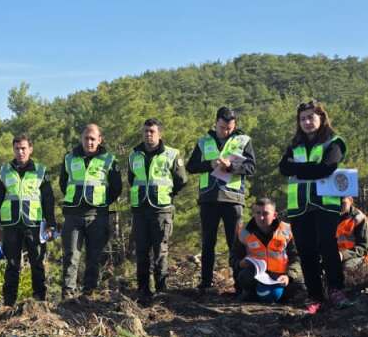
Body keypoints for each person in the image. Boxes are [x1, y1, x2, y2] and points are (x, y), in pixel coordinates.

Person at [278, 101, 351, 313]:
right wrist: (310, 169)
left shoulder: (334, 142)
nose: (307, 122)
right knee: (306, 250)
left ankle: (336, 290)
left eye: (311, 117)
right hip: (300, 205)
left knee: (327, 247)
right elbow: (283, 168)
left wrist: (298, 168)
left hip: (325, 204)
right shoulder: (295, 145)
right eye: (303, 119)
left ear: (321, 118)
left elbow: (327, 168)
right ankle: (315, 295)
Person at [187, 106, 255, 292]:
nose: (225, 131)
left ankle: (239, 285)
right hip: (208, 198)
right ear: (215, 123)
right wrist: (210, 164)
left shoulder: (243, 140)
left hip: (233, 198)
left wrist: (231, 166)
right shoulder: (203, 141)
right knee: (208, 242)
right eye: (222, 127)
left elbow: (251, 167)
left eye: (229, 128)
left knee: (235, 244)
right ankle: (206, 283)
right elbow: (191, 167)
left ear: (235, 125)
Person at [0, 134, 57, 306]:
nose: (20, 152)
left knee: (37, 263)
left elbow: (48, 199)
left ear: (30, 149)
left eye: (23, 148)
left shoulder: (40, 171)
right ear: (13, 150)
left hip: (34, 224)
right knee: (12, 265)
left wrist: (51, 224)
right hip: (11, 224)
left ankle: (40, 301)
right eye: (17, 149)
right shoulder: (4, 170)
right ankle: (8, 304)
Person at [59, 123, 123, 299]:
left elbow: (116, 188)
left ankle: (89, 293)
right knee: (71, 256)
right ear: (81, 139)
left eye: (93, 139)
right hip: (73, 214)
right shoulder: (69, 158)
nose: (89, 142)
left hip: (97, 215)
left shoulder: (109, 160)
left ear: (99, 140)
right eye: (86, 138)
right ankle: (68, 293)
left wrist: (102, 203)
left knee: (94, 257)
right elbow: (64, 183)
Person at [128, 118, 188, 305]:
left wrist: (167, 194)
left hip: (161, 210)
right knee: (141, 251)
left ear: (159, 133)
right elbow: (132, 179)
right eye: (145, 131)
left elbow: (181, 180)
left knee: (160, 250)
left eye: (152, 131)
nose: (148, 134)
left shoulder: (171, 154)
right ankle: (143, 290)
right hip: (140, 209)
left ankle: (161, 291)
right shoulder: (134, 155)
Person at [233, 197, 302, 303]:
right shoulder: (243, 232)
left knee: (299, 285)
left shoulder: (287, 230)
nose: (261, 217)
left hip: (281, 276)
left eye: (265, 213)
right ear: (253, 214)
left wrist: (288, 276)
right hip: (256, 276)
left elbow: (296, 258)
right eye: (258, 213)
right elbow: (233, 257)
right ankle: (250, 294)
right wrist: (240, 263)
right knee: (244, 276)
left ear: (274, 215)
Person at [337, 197, 368, 268]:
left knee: (347, 266)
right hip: (338, 255)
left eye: (343, 202)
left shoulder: (360, 218)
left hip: (359, 257)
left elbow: (364, 248)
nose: (340, 205)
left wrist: (343, 255)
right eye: (337, 202)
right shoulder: (334, 217)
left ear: (351, 201)